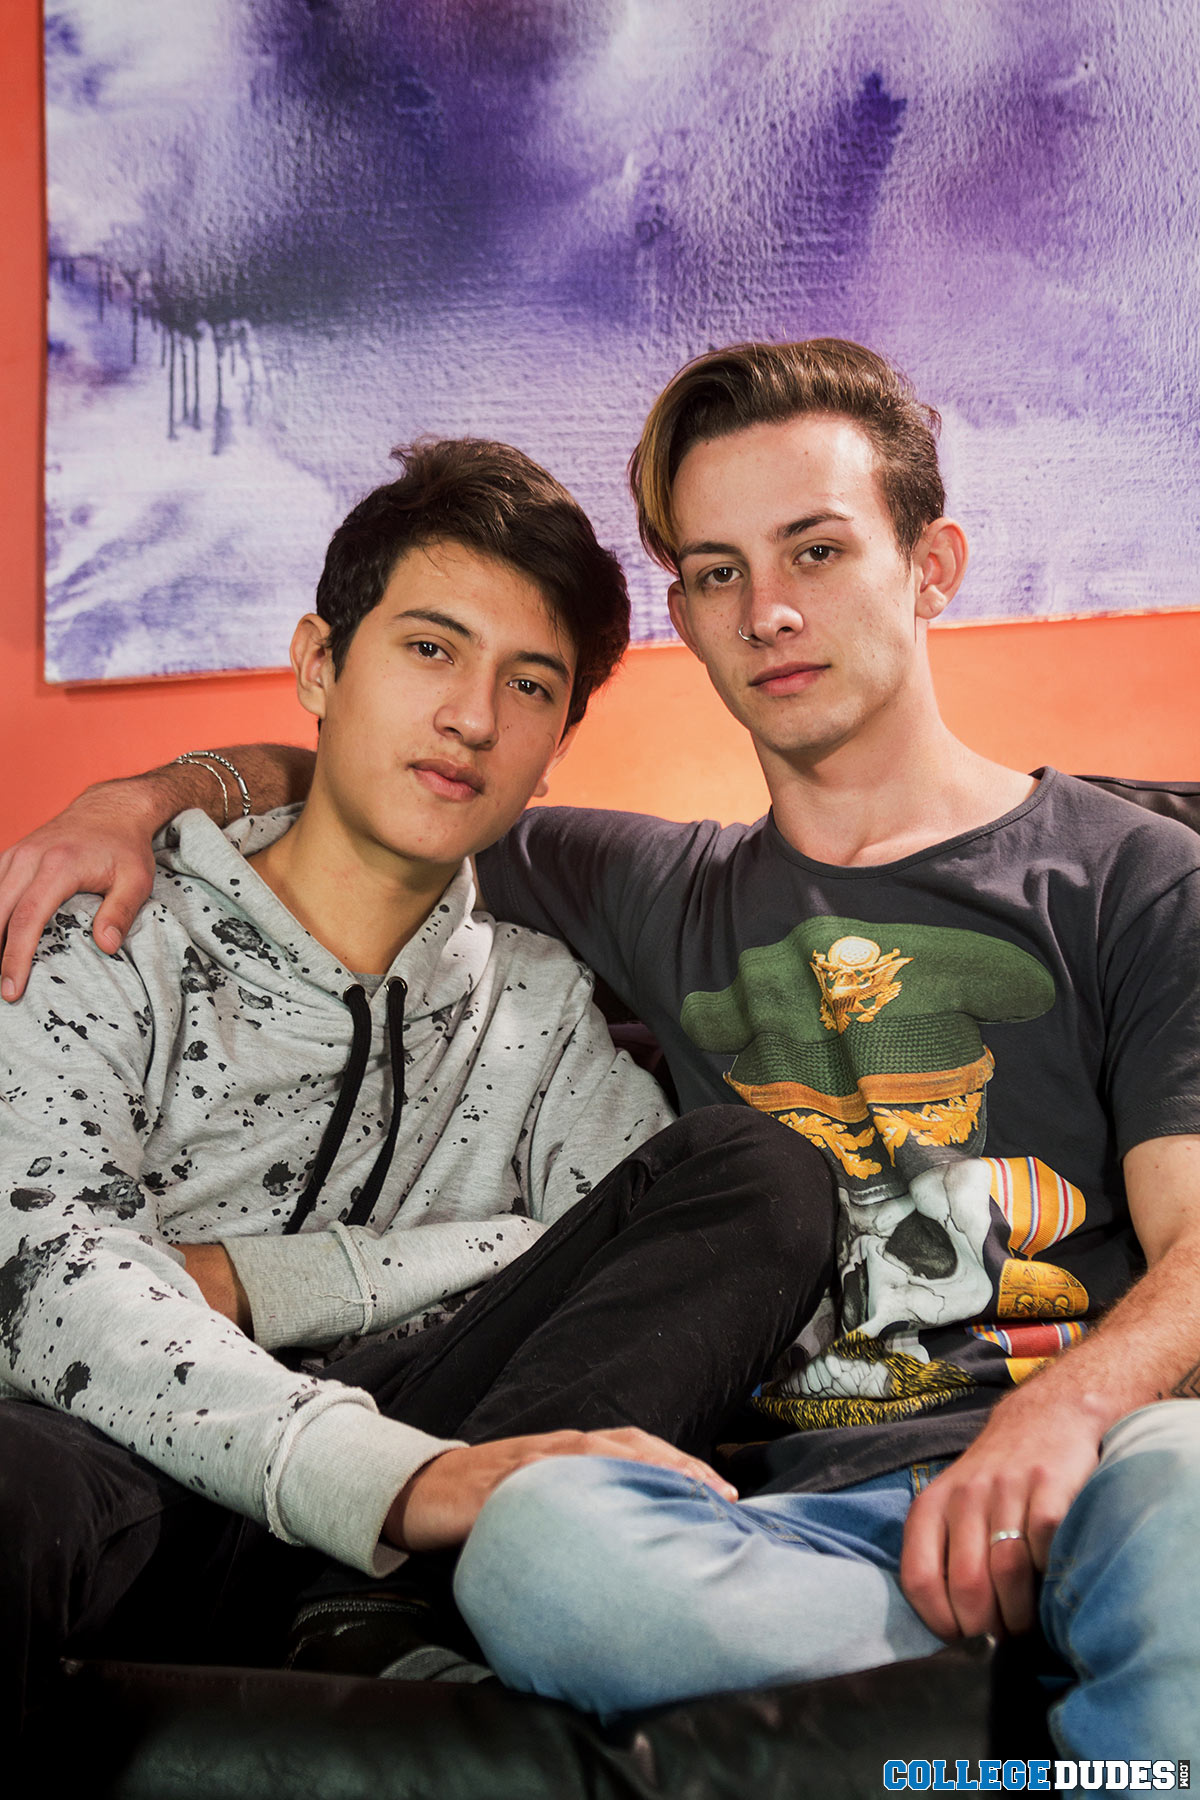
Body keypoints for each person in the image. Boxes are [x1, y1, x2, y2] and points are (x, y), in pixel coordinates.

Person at [3, 342, 1199, 1759]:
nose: (769, 611)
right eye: (716, 571)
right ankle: (1061, 1710)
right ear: (684, 616)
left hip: (1090, 1467)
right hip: (776, 1533)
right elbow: (381, 783)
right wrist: (150, 795)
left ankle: (1087, 1672)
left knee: (1181, 1496)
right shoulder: (623, 884)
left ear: (931, 566)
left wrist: (1063, 1420)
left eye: (816, 550)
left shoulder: (1134, 877)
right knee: (542, 1557)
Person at [0, 435, 840, 1731]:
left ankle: (381, 1613)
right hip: (121, 1464)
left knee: (758, 1173)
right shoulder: (105, 926)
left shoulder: (541, 1005)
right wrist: (385, 1477)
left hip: (417, 1494)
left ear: (556, 747)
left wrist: (275, 1283)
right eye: (431, 649)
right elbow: (49, 1271)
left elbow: (697, 1279)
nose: (472, 718)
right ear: (319, 665)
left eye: (530, 684)